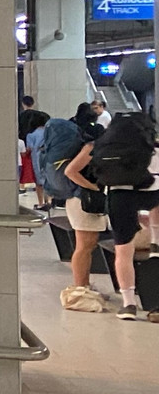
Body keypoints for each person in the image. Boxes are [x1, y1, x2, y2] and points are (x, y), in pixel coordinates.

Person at [66, 108, 159, 321]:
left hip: (119, 196)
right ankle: (155, 241)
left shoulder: (99, 145)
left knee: (123, 252)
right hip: (151, 192)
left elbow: (71, 170)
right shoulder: (151, 146)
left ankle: (128, 305)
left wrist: (96, 187)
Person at [42, 103, 107, 312]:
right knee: (84, 246)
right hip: (82, 200)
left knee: (87, 246)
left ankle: (84, 285)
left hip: (78, 199)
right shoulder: (90, 147)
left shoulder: (84, 145)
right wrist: (94, 187)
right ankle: (80, 288)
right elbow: (71, 171)